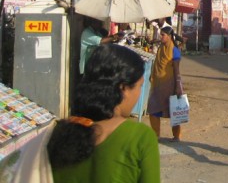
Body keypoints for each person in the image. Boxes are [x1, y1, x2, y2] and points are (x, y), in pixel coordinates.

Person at [48, 44, 160, 182]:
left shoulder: (60, 133)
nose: (139, 93)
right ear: (123, 88)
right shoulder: (140, 137)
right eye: (139, 86)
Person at [147, 25, 183, 142]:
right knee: (153, 110)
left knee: (174, 111)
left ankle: (176, 136)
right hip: (157, 85)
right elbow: (157, 63)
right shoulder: (161, 47)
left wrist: (178, 87)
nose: (161, 37)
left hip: (169, 85)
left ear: (169, 36)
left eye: (163, 35)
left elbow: (177, 70)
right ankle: (156, 135)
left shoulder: (175, 50)